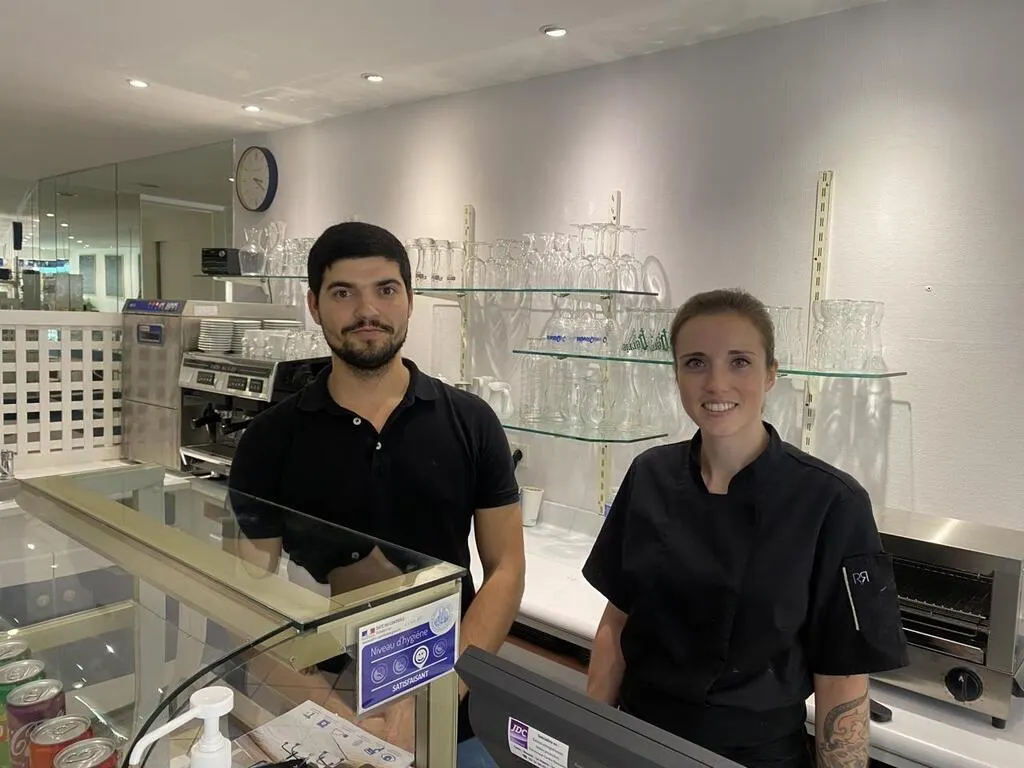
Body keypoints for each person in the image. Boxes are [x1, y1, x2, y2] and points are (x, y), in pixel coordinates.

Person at [228, 221, 525, 767]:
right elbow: (248, 598)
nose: (368, 310)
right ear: (315, 305)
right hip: (320, 709)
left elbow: (506, 569)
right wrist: (333, 714)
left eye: (385, 290)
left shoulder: (471, 422)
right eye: (344, 293)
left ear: (410, 301)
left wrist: (435, 690)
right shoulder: (270, 440)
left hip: (453, 711)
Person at [583, 289, 908, 768]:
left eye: (739, 362)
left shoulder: (832, 502)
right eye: (695, 362)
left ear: (771, 373)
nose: (716, 384)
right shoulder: (649, 474)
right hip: (637, 740)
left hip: (755, 756)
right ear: (676, 375)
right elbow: (616, 621)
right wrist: (590, 737)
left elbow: (841, 678)